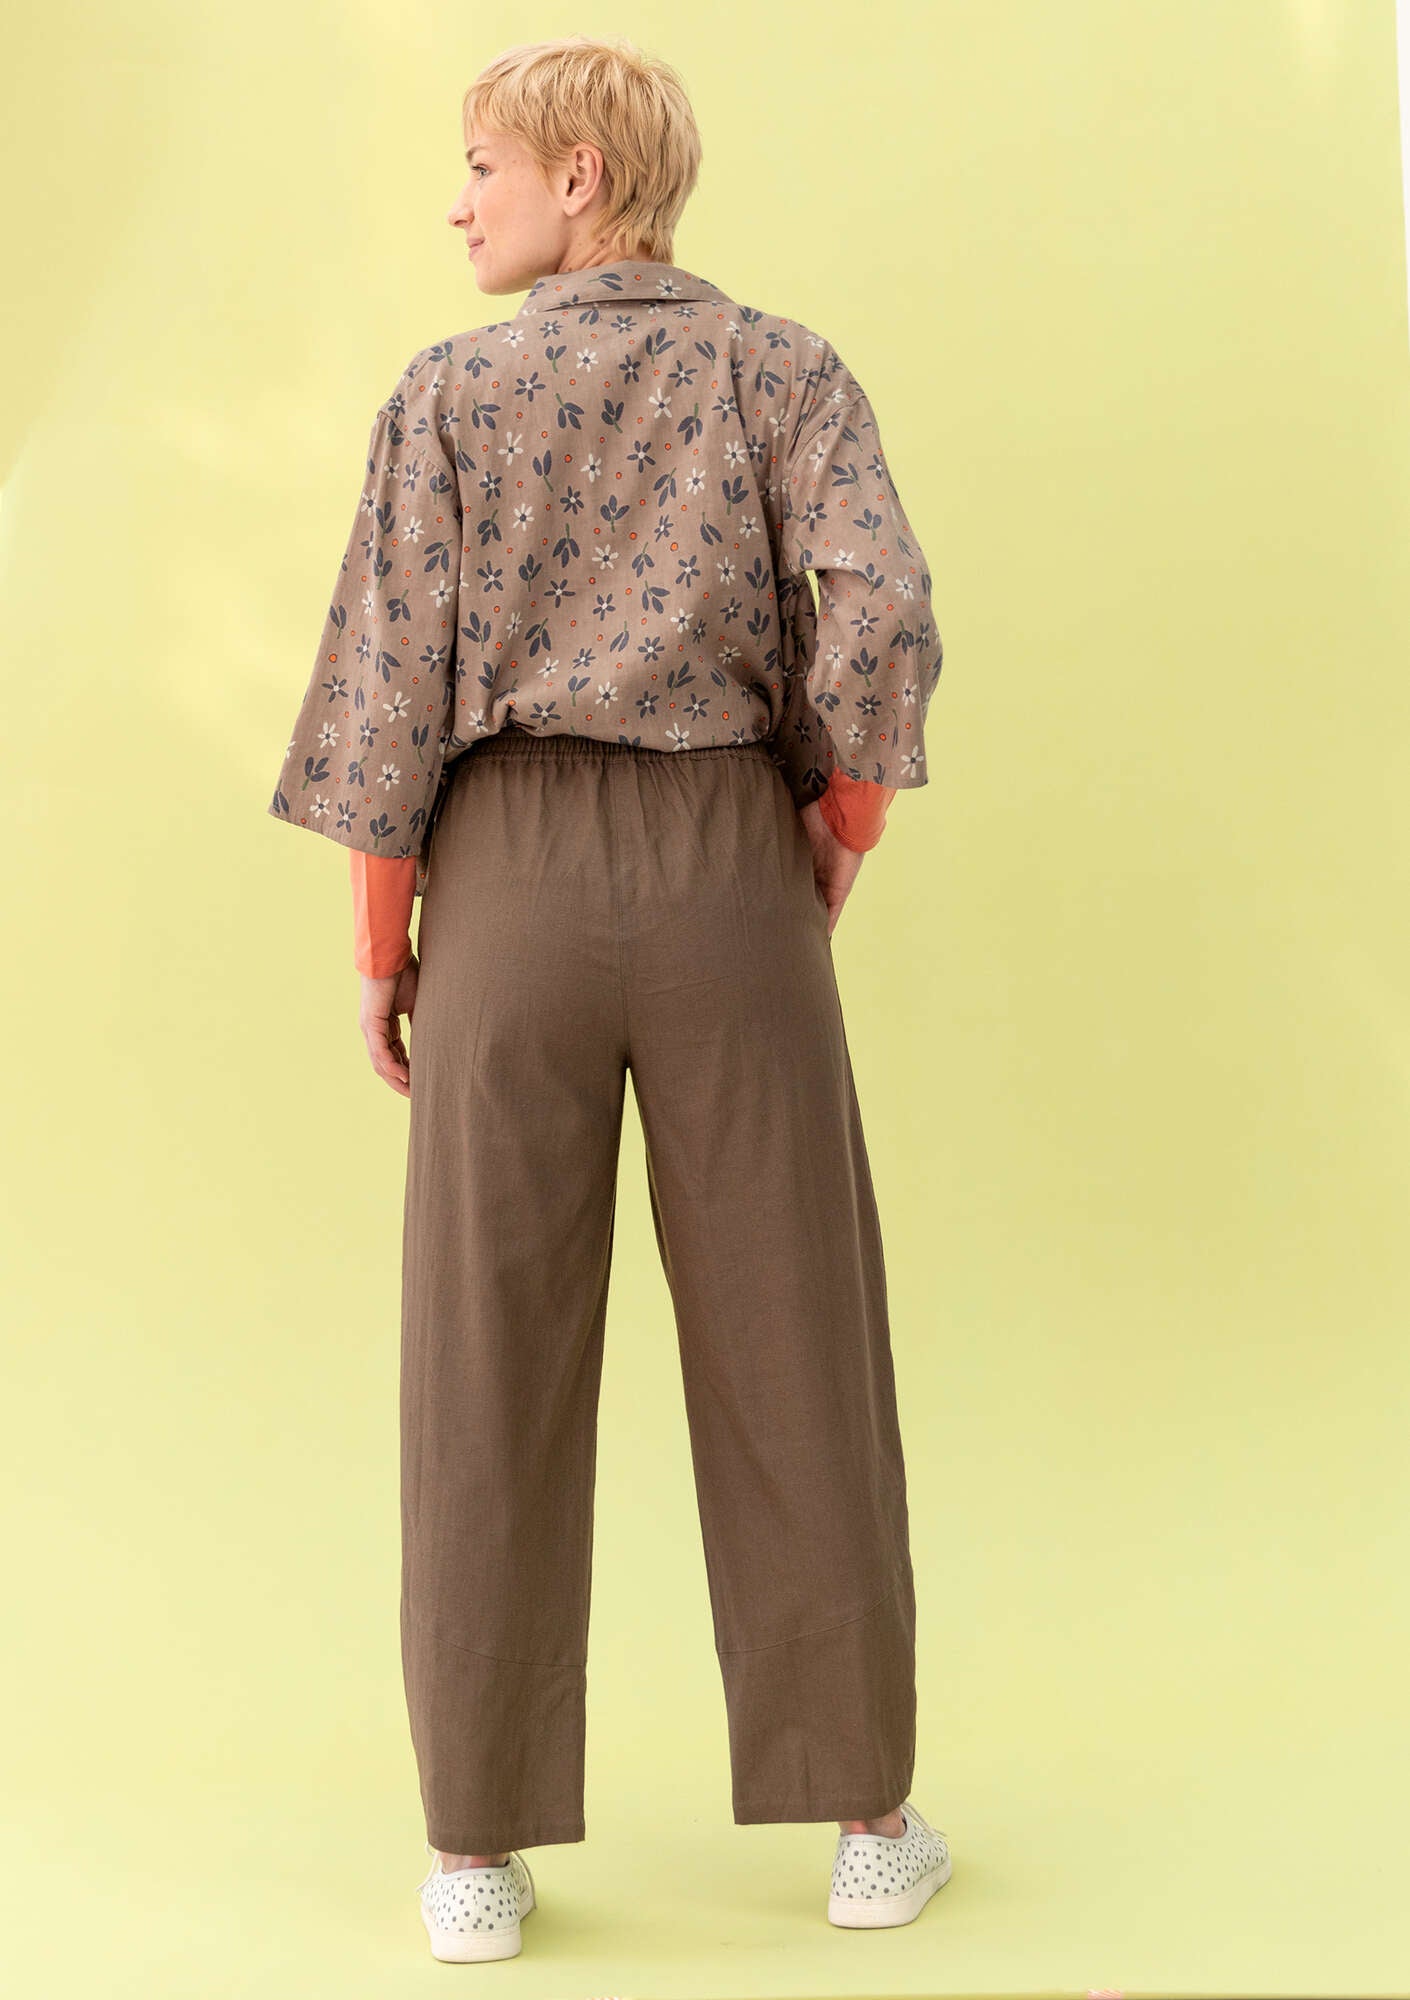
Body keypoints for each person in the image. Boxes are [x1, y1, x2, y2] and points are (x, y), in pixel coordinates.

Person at [267, 33, 951, 1964]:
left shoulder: (446, 396)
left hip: (504, 894)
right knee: (796, 1339)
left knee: (481, 1356)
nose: (457, 202)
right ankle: (867, 1826)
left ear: (579, 176)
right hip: (731, 872)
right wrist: (840, 819)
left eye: (479, 165)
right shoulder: (780, 371)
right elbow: (880, 607)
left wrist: (384, 943)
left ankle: (473, 1854)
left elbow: (388, 689)